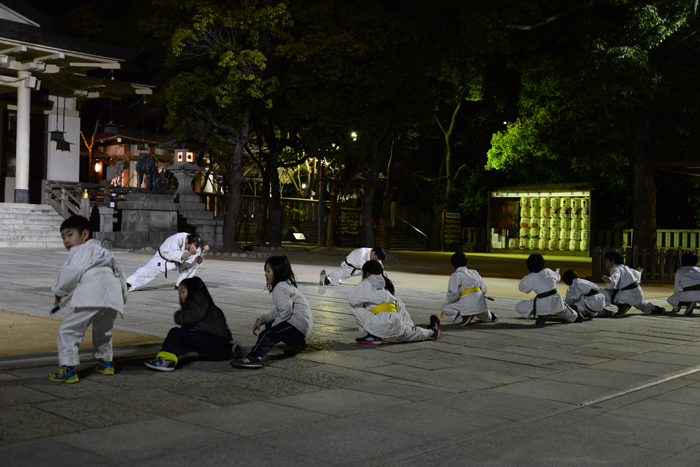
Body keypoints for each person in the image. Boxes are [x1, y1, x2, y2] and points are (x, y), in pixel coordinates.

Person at [49, 215, 128, 383]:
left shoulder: (79, 251)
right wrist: (122, 297)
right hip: (112, 296)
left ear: (85, 234)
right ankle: (106, 363)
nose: (66, 241)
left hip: (92, 294)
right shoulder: (105, 252)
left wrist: (59, 292)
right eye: (63, 236)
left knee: (69, 330)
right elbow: (120, 274)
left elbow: (69, 273)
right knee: (103, 330)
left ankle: (68, 368)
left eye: (70, 235)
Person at [231, 256, 312, 369]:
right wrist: (262, 320)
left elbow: (286, 311)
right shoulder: (285, 285)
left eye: (268, 271)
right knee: (270, 325)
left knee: (268, 334)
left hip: (297, 325)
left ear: (278, 271)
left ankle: (254, 358)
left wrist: (272, 329)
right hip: (302, 325)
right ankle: (297, 344)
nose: (265, 274)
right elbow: (279, 311)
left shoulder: (280, 287)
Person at [144, 277, 238, 371]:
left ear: (192, 290)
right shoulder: (205, 303)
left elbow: (195, 316)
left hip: (214, 341)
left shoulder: (199, 297)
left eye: (183, 291)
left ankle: (166, 361)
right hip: (218, 343)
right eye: (180, 293)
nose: (181, 295)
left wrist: (178, 315)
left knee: (175, 333)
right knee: (183, 334)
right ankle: (229, 348)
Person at [348, 260, 441, 344]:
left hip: (379, 324)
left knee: (356, 307)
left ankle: (373, 336)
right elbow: (401, 307)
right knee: (410, 333)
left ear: (367, 273)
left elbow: (352, 299)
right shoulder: (387, 287)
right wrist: (410, 325)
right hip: (396, 323)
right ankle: (432, 332)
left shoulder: (366, 282)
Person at [515, 254, 586, 325]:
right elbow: (557, 278)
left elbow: (523, 289)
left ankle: (543, 314)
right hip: (557, 300)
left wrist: (527, 279)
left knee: (519, 306)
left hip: (542, 302)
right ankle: (576, 315)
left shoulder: (529, 278)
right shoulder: (548, 271)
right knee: (573, 316)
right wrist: (556, 272)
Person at [126, 233, 209, 291]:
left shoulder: (195, 246)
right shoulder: (177, 238)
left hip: (179, 261)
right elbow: (174, 255)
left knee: (193, 265)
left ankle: (181, 284)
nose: (190, 248)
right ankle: (128, 283)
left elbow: (196, 262)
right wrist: (190, 252)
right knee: (146, 271)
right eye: (189, 247)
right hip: (163, 259)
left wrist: (202, 256)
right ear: (187, 240)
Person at [440, 252, 498, 326]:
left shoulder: (455, 275)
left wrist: (450, 301)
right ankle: (491, 316)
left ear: (453, 265)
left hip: (467, 305)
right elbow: (484, 289)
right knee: (485, 316)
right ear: (467, 263)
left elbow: (453, 293)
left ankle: (466, 315)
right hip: (480, 303)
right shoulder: (475, 272)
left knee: (445, 307)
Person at [600, 250, 665, 316]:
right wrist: (639, 272)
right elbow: (636, 273)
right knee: (642, 304)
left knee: (607, 293)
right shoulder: (625, 267)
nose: (605, 263)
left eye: (606, 261)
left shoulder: (615, 268)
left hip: (628, 295)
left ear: (612, 261)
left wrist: (610, 280)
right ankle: (656, 309)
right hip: (638, 292)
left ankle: (623, 305)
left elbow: (616, 276)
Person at [321, 247, 387, 286]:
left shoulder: (375, 256)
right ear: (373, 252)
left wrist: (383, 273)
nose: (377, 260)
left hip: (360, 270)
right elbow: (365, 266)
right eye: (377, 258)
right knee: (338, 275)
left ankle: (371, 284)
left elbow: (378, 265)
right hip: (349, 267)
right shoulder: (361, 252)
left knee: (374, 272)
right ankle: (326, 279)